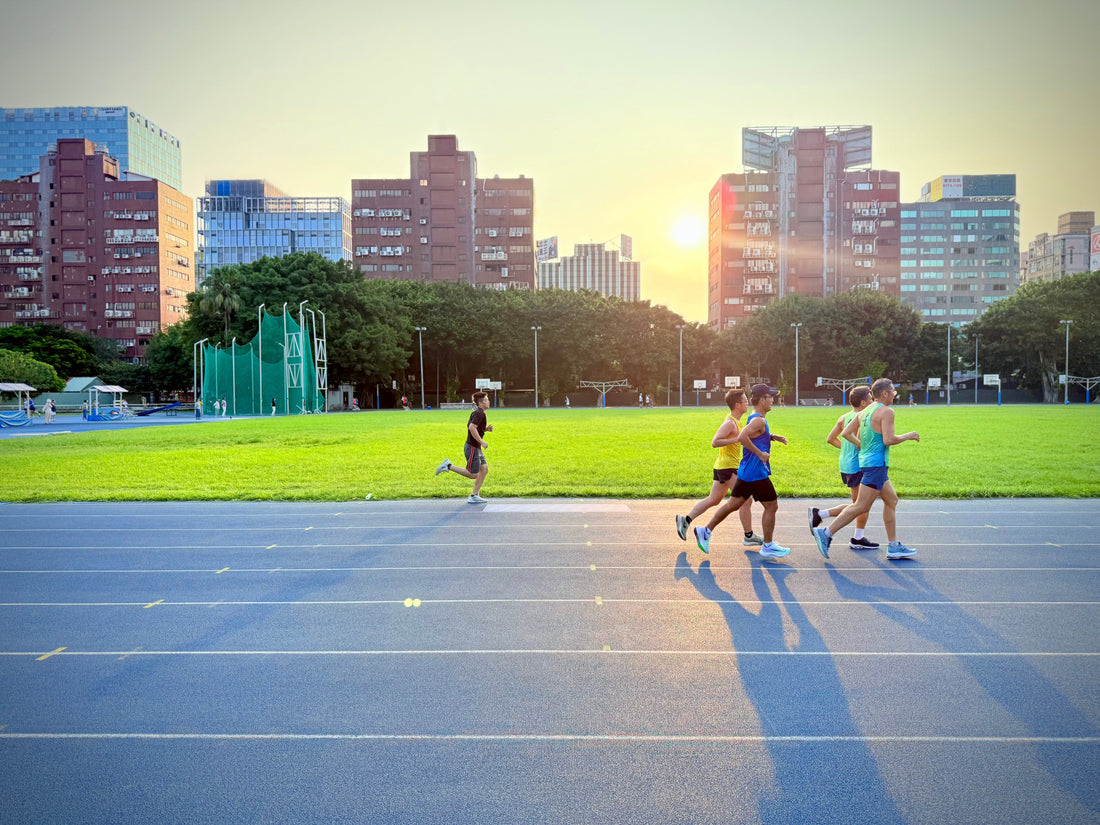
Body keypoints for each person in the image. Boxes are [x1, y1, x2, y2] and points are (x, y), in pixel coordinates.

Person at [811, 378, 920, 561]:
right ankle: (826, 533)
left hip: (869, 464)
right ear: (884, 393)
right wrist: (908, 436)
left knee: (891, 500)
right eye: (892, 391)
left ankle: (893, 546)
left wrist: (863, 446)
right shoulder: (886, 412)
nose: (894, 394)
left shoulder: (864, 412)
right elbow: (888, 440)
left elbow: (846, 433)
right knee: (860, 506)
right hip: (876, 465)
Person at [693, 384, 790, 558]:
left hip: (747, 472)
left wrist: (772, 437)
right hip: (755, 473)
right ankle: (767, 546)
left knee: (733, 504)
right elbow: (742, 437)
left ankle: (705, 530)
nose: (773, 400)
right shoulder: (758, 420)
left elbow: (753, 434)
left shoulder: (754, 417)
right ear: (762, 400)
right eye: (770, 397)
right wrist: (760, 453)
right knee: (772, 505)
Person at [676, 388, 762, 547]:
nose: (747, 403)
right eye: (744, 401)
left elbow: (745, 437)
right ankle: (748, 535)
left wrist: (769, 437)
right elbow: (715, 442)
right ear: (737, 405)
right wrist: (736, 440)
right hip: (728, 468)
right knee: (746, 500)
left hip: (724, 466)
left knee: (714, 500)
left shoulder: (737, 421)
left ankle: (685, 520)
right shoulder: (730, 423)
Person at [807, 386, 879, 550]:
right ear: (863, 402)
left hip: (845, 464)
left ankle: (856, 537)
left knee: (860, 504)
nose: (872, 400)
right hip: (857, 466)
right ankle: (822, 516)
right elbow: (862, 443)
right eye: (870, 398)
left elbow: (831, 439)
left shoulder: (843, 417)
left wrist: (847, 449)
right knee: (860, 505)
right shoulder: (863, 418)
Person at [435, 391, 493, 503]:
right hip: (472, 447)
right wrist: (482, 441)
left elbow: (474, 427)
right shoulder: (479, 413)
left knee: (484, 469)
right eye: (486, 400)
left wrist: (486, 429)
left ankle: (474, 495)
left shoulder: (478, 413)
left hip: (476, 447)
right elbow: (471, 427)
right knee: (473, 474)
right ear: (480, 403)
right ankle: (448, 466)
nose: (488, 401)